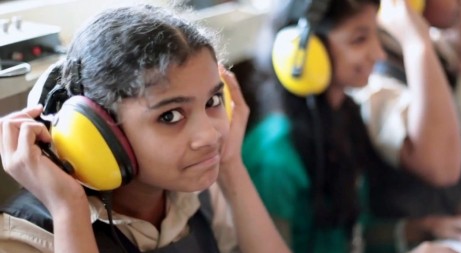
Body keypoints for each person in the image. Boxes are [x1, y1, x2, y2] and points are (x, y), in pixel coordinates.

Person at [0, 4, 291, 253]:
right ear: (94, 131)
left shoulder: (195, 190)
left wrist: (230, 165)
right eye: (170, 116)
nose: (210, 135)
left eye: (213, 100)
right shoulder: (24, 237)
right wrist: (69, 211)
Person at [241, 0, 461, 252]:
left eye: (376, 36)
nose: (379, 54)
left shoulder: (344, 119)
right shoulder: (274, 161)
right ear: (302, 53)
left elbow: (353, 237)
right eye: (359, 40)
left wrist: (426, 227)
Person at [346, 0, 461, 252]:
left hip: (449, 222)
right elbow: (442, 169)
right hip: (413, 238)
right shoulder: (375, 79)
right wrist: (416, 43)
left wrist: (452, 13)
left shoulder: (407, 41)